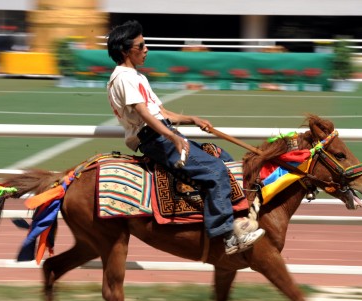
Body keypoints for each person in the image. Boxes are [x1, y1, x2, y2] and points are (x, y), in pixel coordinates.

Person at [106, 20, 264, 255]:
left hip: (162, 135)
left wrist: (193, 119)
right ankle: (226, 236)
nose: (146, 49)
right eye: (141, 46)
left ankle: (230, 217)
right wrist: (172, 136)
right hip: (156, 139)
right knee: (215, 171)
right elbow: (143, 113)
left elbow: (162, 113)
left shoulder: (135, 76)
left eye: (145, 44)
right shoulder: (124, 78)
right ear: (124, 50)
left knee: (221, 156)